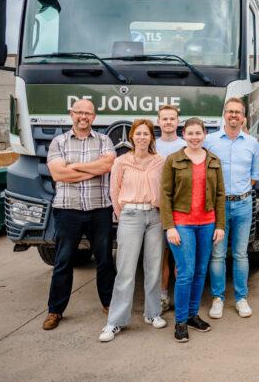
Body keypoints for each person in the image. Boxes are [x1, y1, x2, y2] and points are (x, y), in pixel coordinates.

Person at [42, 99, 116, 331]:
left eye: (88, 113)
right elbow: (57, 174)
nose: (83, 117)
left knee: (104, 260)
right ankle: (55, 310)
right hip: (68, 209)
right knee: (63, 261)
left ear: (94, 117)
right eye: (79, 112)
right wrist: (90, 169)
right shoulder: (58, 142)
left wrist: (72, 167)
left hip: (100, 209)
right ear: (71, 114)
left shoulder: (105, 140)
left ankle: (109, 304)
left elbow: (106, 167)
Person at [99, 119, 166, 342]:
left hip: (155, 216)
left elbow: (165, 190)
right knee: (126, 270)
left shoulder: (160, 161)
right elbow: (114, 190)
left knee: (153, 267)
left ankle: (153, 313)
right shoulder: (121, 162)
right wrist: (123, 214)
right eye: (138, 134)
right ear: (132, 137)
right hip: (130, 215)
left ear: (151, 138)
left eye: (146, 134)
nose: (142, 138)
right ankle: (115, 322)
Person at [160, 117, 226, 343]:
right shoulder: (173, 160)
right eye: (190, 133)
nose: (195, 137)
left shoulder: (213, 160)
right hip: (182, 224)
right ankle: (180, 321)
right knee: (186, 272)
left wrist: (220, 225)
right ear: (184, 134)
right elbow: (165, 195)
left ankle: (192, 314)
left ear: (204, 134)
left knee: (200, 271)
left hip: (207, 223)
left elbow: (219, 195)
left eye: (198, 133)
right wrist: (169, 226)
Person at [204, 98, 259, 320]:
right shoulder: (210, 141)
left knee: (240, 253)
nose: (234, 115)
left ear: (244, 116)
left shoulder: (251, 143)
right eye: (230, 111)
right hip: (217, 205)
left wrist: (240, 193)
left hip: (243, 203)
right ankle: (218, 298)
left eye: (238, 112)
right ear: (224, 114)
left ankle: (241, 298)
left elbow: (255, 176)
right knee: (217, 254)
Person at [155, 105, 186, 312]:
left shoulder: (186, 145)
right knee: (161, 254)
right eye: (164, 119)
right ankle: (163, 295)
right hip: (157, 207)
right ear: (158, 121)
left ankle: (180, 296)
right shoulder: (151, 145)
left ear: (178, 122)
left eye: (172, 118)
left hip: (181, 207)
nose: (168, 122)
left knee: (180, 254)